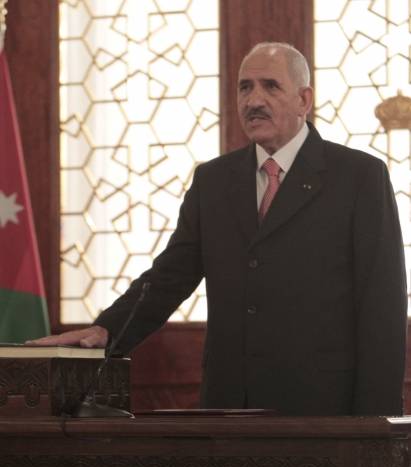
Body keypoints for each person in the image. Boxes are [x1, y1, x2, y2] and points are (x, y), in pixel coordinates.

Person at [28, 42, 407, 415]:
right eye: (245, 88)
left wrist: (377, 424)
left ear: (303, 100)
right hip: (229, 408)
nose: (253, 100)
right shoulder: (213, 181)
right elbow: (170, 277)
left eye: (270, 86)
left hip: (323, 411)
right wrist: (107, 331)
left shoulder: (359, 177)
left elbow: (382, 306)